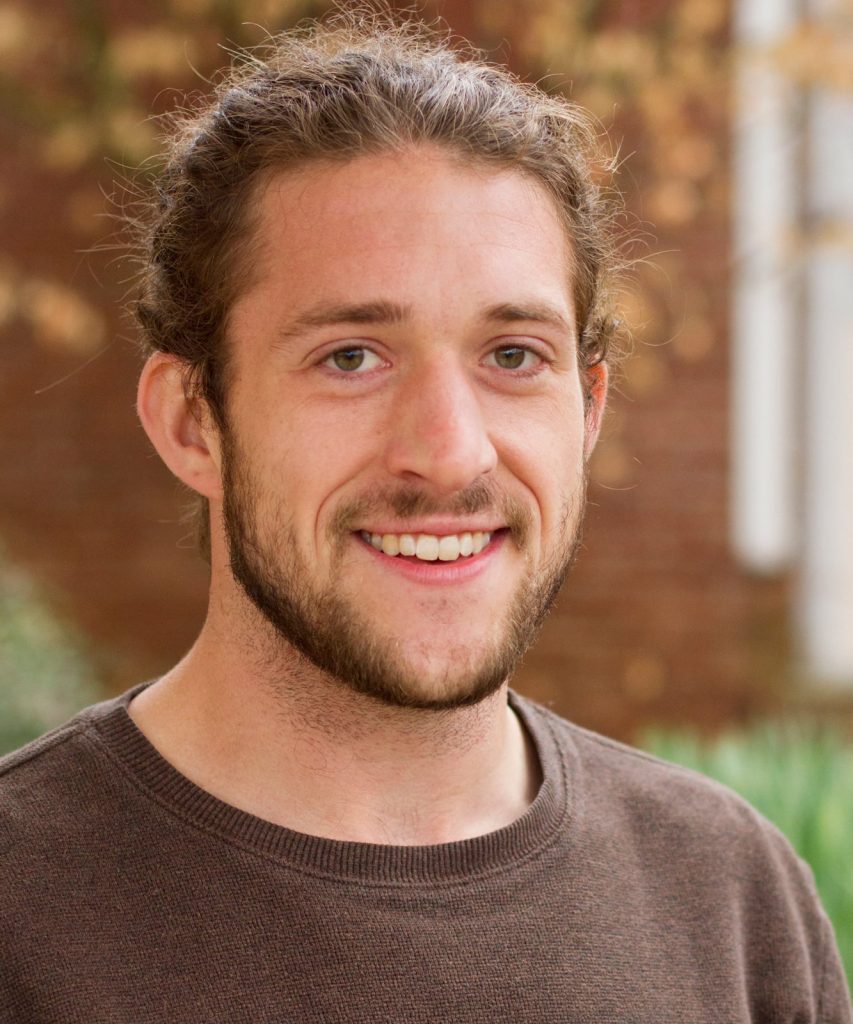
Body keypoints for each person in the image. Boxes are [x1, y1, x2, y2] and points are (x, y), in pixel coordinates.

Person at [2, 12, 850, 1023]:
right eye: (351, 357)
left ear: (588, 411)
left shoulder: (727, 897)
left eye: (512, 356)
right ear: (192, 422)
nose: (450, 451)